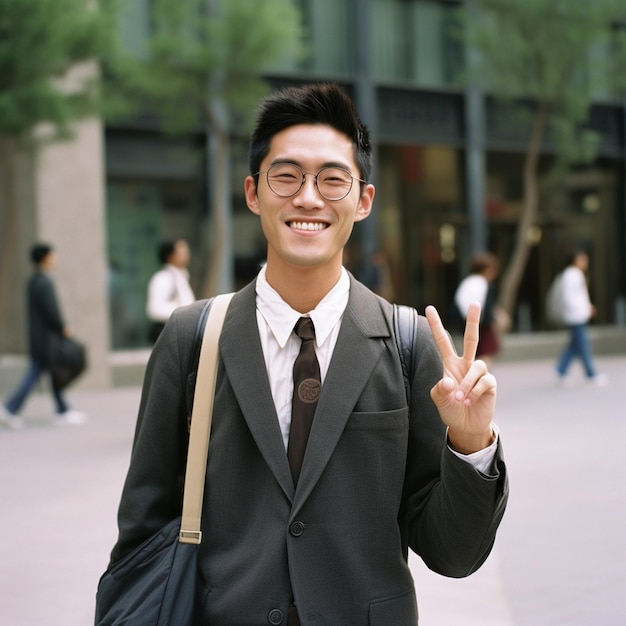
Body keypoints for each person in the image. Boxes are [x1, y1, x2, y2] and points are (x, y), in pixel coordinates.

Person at [106, 83, 508, 624]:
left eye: (332, 179)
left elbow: (454, 553)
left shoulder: (406, 344)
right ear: (253, 192)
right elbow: (142, 528)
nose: (309, 198)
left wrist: (470, 442)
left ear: (363, 200)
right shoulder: (192, 338)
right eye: (287, 175)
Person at [0, 243, 86, 429]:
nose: (54, 258)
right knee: (36, 374)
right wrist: (63, 327)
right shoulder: (44, 282)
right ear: (45, 258)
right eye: (52, 255)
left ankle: (61, 410)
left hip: (39, 339)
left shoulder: (33, 280)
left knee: (51, 373)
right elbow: (51, 311)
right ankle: (11, 408)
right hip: (47, 341)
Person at [554, 249, 607, 386]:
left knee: (574, 345)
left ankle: (561, 371)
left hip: (578, 315)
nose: (585, 262)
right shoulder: (571, 275)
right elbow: (570, 298)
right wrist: (584, 310)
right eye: (583, 259)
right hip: (576, 316)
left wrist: (587, 308)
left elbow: (580, 297)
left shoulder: (575, 274)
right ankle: (591, 374)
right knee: (582, 345)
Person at [454, 251, 510, 367]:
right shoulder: (483, 283)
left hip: (470, 322)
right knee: (486, 354)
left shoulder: (467, 282)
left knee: (475, 353)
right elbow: (486, 307)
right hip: (481, 324)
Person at [145, 237, 195, 343]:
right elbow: (154, 310)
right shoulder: (162, 278)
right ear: (170, 255)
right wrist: (181, 310)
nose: (186, 255)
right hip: (169, 335)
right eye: (181, 252)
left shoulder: (182, 277)